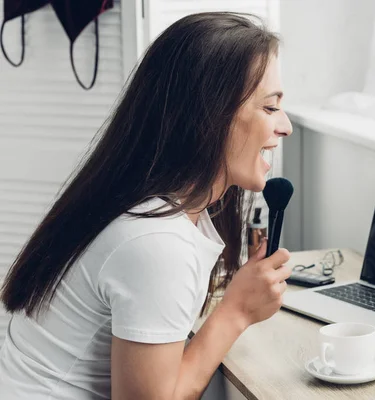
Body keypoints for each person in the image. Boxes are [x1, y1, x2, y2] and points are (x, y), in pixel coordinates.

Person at [0, 12, 293, 400]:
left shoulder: (141, 206)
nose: (285, 126)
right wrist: (236, 311)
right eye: (270, 108)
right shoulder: (157, 241)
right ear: (210, 116)